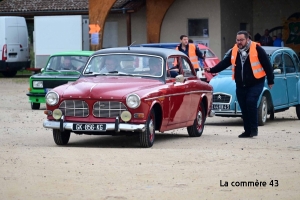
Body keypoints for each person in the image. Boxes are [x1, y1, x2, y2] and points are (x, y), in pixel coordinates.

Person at [204, 30, 274, 138]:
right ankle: (247, 131)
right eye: (237, 40)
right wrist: (212, 69)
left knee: (251, 102)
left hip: (256, 82)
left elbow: (267, 65)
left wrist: (270, 80)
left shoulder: (257, 49)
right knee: (243, 107)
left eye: (241, 40)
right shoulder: (235, 50)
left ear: (247, 39)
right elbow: (225, 62)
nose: (239, 42)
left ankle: (254, 130)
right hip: (241, 84)